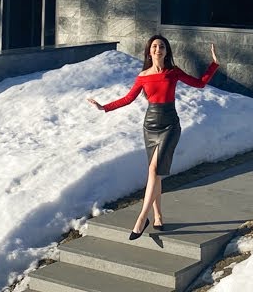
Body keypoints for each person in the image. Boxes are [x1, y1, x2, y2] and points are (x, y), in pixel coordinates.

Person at [88, 35, 219, 239]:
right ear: (149, 51)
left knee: (153, 170)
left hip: (170, 125)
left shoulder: (173, 72)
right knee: (155, 174)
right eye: (155, 46)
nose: (158, 49)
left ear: (166, 51)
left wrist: (214, 65)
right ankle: (157, 216)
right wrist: (104, 107)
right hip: (150, 126)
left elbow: (200, 83)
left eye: (162, 46)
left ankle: (142, 218)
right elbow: (128, 98)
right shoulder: (143, 76)